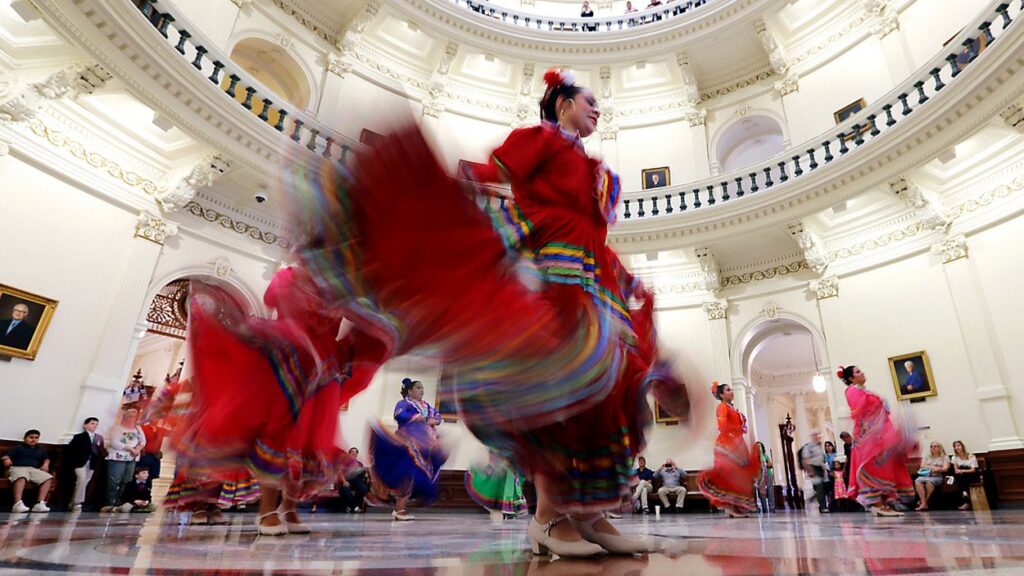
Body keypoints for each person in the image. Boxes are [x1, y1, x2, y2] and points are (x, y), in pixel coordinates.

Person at [838, 365, 913, 517]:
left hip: (878, 436)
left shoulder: (865, 391)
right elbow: (860, 411)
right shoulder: (852, 390)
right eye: (858, 372)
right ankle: (877, 504)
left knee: (884, 466)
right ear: (851, 378)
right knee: (873, 467)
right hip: (868, 437)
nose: (862, 372)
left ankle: (883, 503)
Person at [369, 378, 445, 521]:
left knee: (417, 475)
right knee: (407, 475)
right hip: (408, 444)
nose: (421, 390)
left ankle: (405, 506)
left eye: (422, 388)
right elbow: (399, 415)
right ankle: (400, 509)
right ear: (409, 391)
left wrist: (433, 420)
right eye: (418, 388)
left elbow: (438, 417)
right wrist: (416, 417)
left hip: (424, 445)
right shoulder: (404, 403)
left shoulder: (427, 406)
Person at [698, 382, 759, 518]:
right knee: (730, 474)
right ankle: (729, 507)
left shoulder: (733, 409)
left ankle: (736, 506)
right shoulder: (722, 407)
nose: (731, 391)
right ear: (721, 394)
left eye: (731, 389)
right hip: (727, 443)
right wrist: (732, 438)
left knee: (740, 474)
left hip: (737, 443)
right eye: (728, 390)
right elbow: (722, 425)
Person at [104, 408, 145, 511]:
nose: (132, 419)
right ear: (124, 417)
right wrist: (130, 448)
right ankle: (110, 502)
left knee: (127, 480)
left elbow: (143, 441)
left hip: (132, 458)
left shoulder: (138, 428)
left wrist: (137, 449)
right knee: (115, 480)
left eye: (134, 417)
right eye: (129, 416)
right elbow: (115, 442)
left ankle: (122, 501)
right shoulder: (116, 428)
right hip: (118, 457)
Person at [466, 451, 528, 519]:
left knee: (509, 485)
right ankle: (506, 510)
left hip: (509, 465)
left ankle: (509, 510)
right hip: (502, 464)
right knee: (502, 485)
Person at [2, 429, 52, 512]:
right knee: (22, 477)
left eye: (36, 438)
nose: (34, 439)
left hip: (33, 469)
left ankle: (40, 504)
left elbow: (46, 459)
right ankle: (17, 504)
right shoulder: (18, 447)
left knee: (48, 478)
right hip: (18, 468)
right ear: (25, 438)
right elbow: (5, 456)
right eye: (31, 437)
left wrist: (46, 464)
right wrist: (7, 459)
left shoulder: (40, 449)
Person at [67, 417, 104, 511]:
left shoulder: (99, 438)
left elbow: (100, 450)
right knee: (81, 480)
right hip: (80, 463)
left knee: (84, 483)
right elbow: (71, 450)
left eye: (96, 424)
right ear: (85, 425)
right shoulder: (79, 437)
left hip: (92, 463)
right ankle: (78, 503)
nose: (94, 426)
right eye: (92, 423)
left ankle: (72, 503)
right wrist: (73, 462)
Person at [914, 441, 951, 511]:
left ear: (940, 448)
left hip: (937, 476)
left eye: (935, 446)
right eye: (931, 446)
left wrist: (936, 469)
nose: (933, 448)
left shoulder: (945, 457)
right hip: (926, 475)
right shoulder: (927, 456)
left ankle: (924, 502)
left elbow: (945, 468)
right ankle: (924, 503)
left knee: (929, 482)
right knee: (917, 481)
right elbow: (922, 466)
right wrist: (935, 467)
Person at [799, 431, 829, 513]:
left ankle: (813, 498)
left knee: (824, 486)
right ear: (812, 436)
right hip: (813, 468)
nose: (817, 437)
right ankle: (822, 507)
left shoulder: (818, 446)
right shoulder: (808, 447)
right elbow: (805, 460)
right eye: (815, 435)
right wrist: (810, 470)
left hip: (820, 468)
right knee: (819, 487)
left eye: (818, 435)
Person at [339, 447, 370, 513]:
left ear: (357, 454)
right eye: (352, 451)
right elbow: (340, 473)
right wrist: (344, 481)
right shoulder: (345, 463)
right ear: (349, 454)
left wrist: (366, 474)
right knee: (344, 489)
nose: (354, 453)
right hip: (348, 481)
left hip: (358, 481)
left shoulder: (360, 464)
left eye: (355, 452)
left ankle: (350, 506)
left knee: (364, 489)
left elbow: (363, 474)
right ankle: (355, 507)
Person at [951, 440, 979, 510]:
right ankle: (966, 497)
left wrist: (962, 470)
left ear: (962, 446)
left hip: (971, 474)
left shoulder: (971, 456)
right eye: (955, 446)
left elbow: (973, 470)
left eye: (958, 445)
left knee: (963, 478)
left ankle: (965, 496)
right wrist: (960, 471)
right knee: (959, 477)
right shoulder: (954, 458)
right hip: (960, 475)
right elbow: (956, 470)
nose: (957, 447)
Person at [754, 442, 774, 513]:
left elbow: (771, 465)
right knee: (762, 493)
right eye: (757, 447)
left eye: (760, 446)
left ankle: (772, 508)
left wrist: (765, 465)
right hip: (760, 476)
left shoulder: (765, 456)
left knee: (770, 491)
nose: (759, 448)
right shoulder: (754, 458)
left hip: (768, 474)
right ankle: (764, 508)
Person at [823, 441, 837, 510]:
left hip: (835, 473)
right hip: (827, 474)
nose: (828, 447)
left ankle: (836, 504)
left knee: (834, 489)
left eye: (829, 445)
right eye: (826, 446)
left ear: (832, 446)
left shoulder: (835, 454)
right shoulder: (825, 456)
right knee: (828, 490)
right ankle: (829, 504)